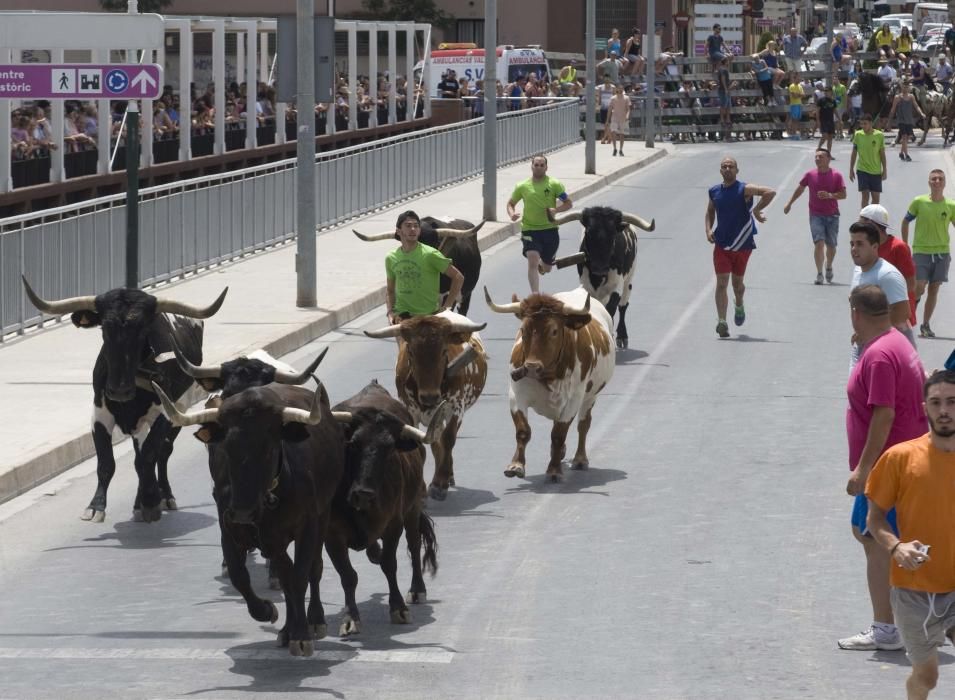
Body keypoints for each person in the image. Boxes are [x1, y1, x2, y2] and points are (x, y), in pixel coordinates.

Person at [838, 285, 927, 654]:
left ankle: (886, 628)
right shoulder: (898, 341)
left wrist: (863, 469)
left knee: (874, 539)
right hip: (906, 460)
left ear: (856, 313)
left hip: (889, 467)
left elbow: (884, 414)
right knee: (876, 536)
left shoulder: (878, 357)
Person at [865, 369, 955, 699]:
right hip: (913, 592)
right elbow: (874, 520)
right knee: (927, 677)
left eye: (952, 402)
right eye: (936, 403)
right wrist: (897, 547)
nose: (944, 410)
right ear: (924, 408)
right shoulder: (900, 458)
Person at [704, 157, 776, 338]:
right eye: (724, 167)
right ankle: (722, 321)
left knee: (737, 285)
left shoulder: (744, 189)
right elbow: (710, 211)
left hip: (743, 245)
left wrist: (757, 210)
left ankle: (739, 303)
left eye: (731, 166)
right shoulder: (714, 191)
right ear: (720, 170)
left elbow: (770, 192)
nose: (727, 169)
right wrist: (708, 229)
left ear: (737, 170)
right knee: (721, 283)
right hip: (722, 244)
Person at [901, 169, 955, 339]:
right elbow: (905, 221)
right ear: (929, 182)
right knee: (919, 287)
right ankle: (908, 321)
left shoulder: (951, 205)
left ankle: (925, 325)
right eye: (934, 179)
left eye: (940, 179)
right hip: (921, 251)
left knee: (934, 289)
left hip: (942, 253)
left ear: (945, 183)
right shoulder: (919, 201)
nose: (937, 181)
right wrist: (904, 244)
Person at [507, 154, 572, 294]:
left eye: (542, 165)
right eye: (536, 165)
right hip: (530, 230)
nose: (538, 167)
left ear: (546, 168)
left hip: (550, 230)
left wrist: (556, 209)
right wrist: (512, 214)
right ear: (531, 167)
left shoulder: (554, 184)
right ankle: (535, 295)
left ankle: (545, 265)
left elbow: (568, 203)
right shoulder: (522, 186)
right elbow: (510, 203)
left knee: (547, 268)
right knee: (532, 260)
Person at [385, 210, 464, 325]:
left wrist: (447, 307)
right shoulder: (390, 258)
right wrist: (390, 312)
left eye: (416, 226)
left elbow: (458, 277)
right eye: (408, 226)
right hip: (402, 319)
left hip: (428, 318)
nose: (413, 229)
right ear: (398, 231)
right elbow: (390, 290)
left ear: (419, 231)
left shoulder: (431, 254)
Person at [849, 221, 915, 354]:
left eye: (860, 244)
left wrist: (870, 332)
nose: (854, 248)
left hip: (891, 352)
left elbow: (902, 314)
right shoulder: (858, 270)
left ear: (874, 246)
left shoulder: (887, 275)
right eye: (852, 244)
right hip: (865, 346)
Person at [783, 147, 846, 284]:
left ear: (829, 159)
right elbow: (800, 189)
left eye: (821, 157)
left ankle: (828, 266)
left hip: (832, 215)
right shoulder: (810, 175)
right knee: (819, 243)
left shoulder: (836, 175)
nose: (817, 159)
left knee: (831, 246)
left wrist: (830, 195)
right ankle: (819, 273)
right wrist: (789, 203)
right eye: (816, 157)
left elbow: (843, 194)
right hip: (815, 214)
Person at [860, 204, 918, 337]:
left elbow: (911, 284)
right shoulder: (868, 248)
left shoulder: (898, 248)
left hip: (898, 319)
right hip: (873, 317)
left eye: (862, 224)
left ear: (873, 225)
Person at [849, 114, 887, 208]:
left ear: (871, 123)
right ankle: (864, 218)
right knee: (865, 195)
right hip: (862, 169)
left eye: (865, 124)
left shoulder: (879, 135)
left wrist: (885, 170)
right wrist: (851, 169)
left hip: (875, 171)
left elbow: (882, 154)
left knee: (876, 199)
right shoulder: (858, 134)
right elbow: (854, 153)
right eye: (861, 124)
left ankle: (872, 219)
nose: (863, 126)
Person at [887, 82, 923, 163]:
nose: (905, 88)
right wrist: (889, 122)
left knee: (907, 138)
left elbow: (916, 106)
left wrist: (921, 113)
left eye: (907, 87)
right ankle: (906, 155)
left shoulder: (911, 96)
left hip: (909, 120)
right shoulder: (897, 97)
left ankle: (901, 153)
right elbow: (893, 110)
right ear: (901, 87)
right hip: (901, 120)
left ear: (909, 88)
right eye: (904, 86)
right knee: (904, 137)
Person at [606, 84, 630, 157]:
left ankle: (621, 149)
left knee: (622, 135)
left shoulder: (626, 98)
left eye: (621, 88)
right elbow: (610, 109)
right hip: (614, 118)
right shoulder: (613, 98)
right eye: (619, 88)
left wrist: (627, 115)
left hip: (622, 118)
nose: (620, 90)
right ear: (617, 89)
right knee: (613, 132)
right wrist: (607, 120)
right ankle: (615, 148)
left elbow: (628, 109)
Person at [815, 86, 838, 154]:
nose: (825, 92)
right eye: (825, 91)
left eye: (827, 91)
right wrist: (818, 121)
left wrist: (839, 119)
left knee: (830, 137)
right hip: (823, 120)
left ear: (831, 92)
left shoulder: (833, 101)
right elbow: (817, 111)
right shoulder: (821, 100)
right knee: (825, 135)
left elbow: (835, 110)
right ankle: (818, 148)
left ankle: (829, 153)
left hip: (830, 121)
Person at [716, 57, 733, 141]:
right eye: (728, 61)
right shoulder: (722, 69)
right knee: (723, 104)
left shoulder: (724, 68)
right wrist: (726, 88)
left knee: (728, 104)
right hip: (723, 89)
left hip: (726, 89)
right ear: (725, 61)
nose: (729, 62)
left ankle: (728, 119)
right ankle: (722, 119)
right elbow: (722, 79)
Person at [787, 70, 804, 139]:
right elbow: (794, 96)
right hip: (794, 104)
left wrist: (798, 94)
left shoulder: (800, 86)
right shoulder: (792, 86)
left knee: (797, 119)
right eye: (798, 78)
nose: (799, 79)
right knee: (793, 119)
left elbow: (803, 95)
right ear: (794, 78)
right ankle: (792, 134)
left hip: (799, 104)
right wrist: (799, 95)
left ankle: (794, 133)